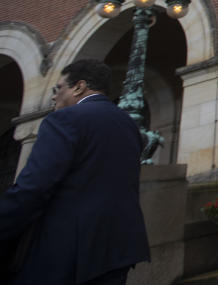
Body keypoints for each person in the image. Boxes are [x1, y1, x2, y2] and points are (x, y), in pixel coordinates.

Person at [0, 59, 150, 285]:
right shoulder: (129, 125)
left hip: (65, 250)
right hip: (118, 249)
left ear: (79, 87)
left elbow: (34, 186)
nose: (53, 97)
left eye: (58, 88)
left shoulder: (64, 119)